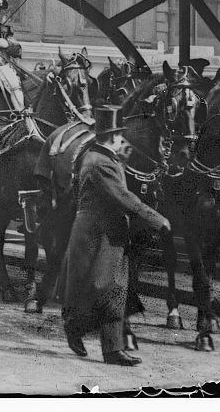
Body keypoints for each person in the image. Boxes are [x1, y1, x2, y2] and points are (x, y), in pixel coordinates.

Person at [60, 105, 171, 367]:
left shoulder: (105, 157)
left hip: (107, 233)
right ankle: (75, 329)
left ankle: (111, 349)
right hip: (96, 235)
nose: (124, 139)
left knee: (113, 289)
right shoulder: (100, 163)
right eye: (121, 135)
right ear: (113, 137)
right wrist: (157, 219)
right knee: (99, 288)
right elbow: (123, 197)